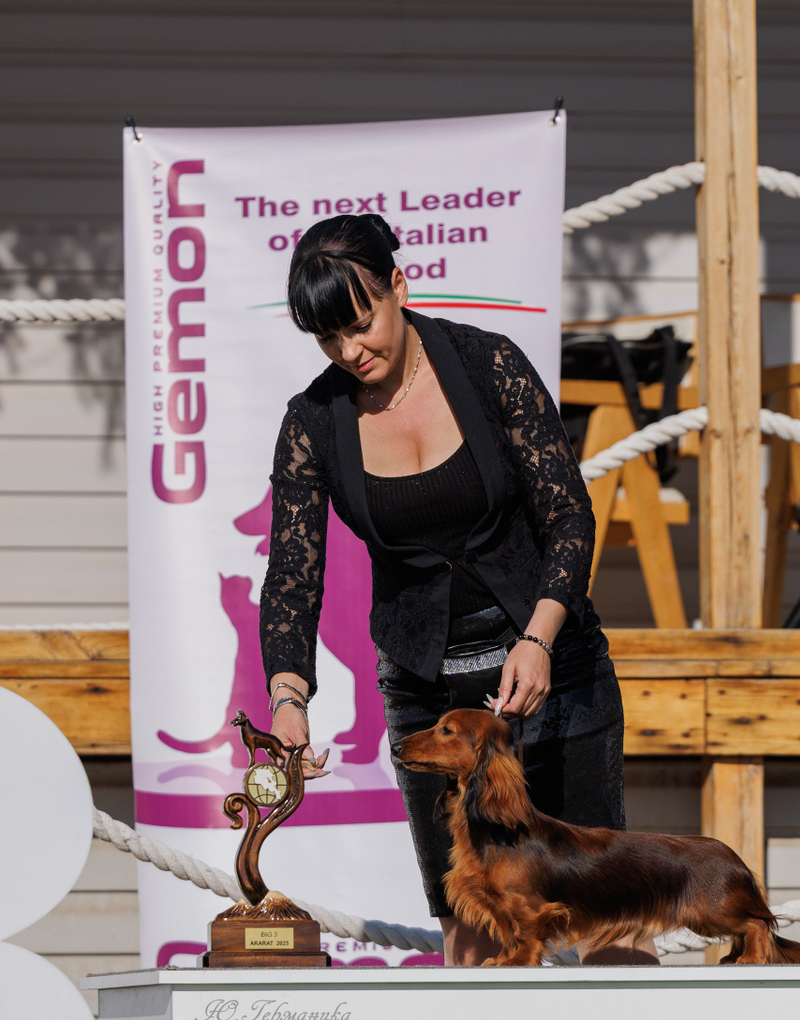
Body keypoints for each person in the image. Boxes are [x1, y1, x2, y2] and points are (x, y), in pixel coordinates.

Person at [258, 213, 647, 966]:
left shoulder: (489, 364)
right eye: (329, 338)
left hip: (554, 671)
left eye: (360, 324)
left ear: (400, 286)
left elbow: (569, 514)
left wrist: (539, 637)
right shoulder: (312, 422)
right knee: (473, 939)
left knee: (608, 929)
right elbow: (291, 576)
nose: (350, 351)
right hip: (428, 699)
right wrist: (288, 698)